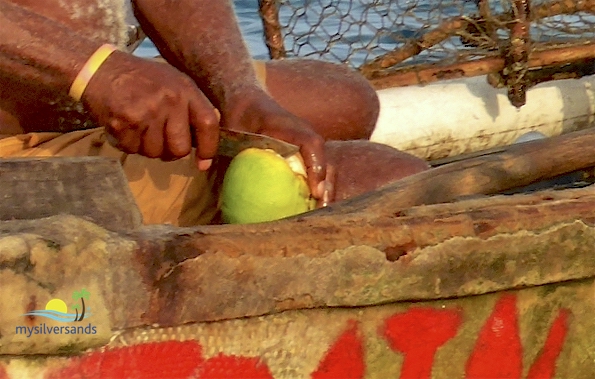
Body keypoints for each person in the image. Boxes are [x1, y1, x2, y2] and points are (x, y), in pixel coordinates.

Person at [0, 0, 429, 226]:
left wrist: (238, 93)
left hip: (89, 103)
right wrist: (97, 73)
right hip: (17, 166)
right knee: (386, 180)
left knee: (341, 98)